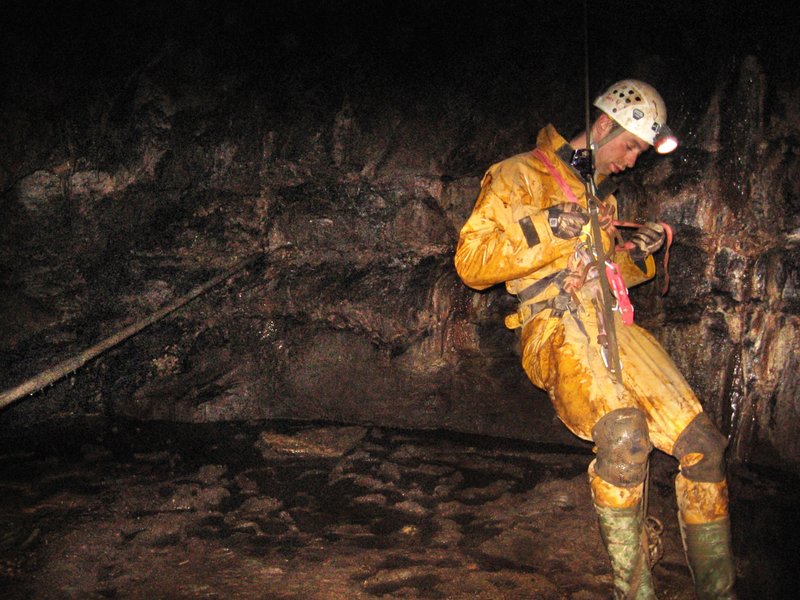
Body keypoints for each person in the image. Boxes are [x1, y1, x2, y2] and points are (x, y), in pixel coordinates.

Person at [454, 79, 736, 599]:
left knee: (704, 447)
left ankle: (720, 591)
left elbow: (604, 273)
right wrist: (544, 227)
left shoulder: (599, 197)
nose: (632, 160)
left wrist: (640, 254)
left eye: (640, 152)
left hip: (612, 324)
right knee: (625, 437)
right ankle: (637, 592)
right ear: (604, 125)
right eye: (630, 145)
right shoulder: (519, 175)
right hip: (555, 324)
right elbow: (471, 263)